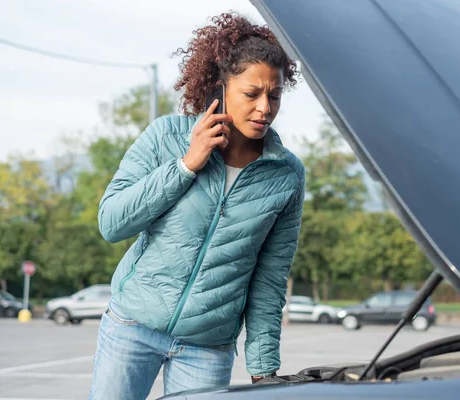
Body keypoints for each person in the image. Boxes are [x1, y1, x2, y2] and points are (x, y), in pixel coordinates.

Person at [88, 11, 305, 400]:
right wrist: (187, 164)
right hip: (133, 326)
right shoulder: (165, 136)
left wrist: (262, 367)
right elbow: (111, 223)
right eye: (251, 94)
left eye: (274, 95)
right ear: (221, 90)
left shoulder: (286, 175)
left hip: (208, 347)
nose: (264, 108)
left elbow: (270, 279)